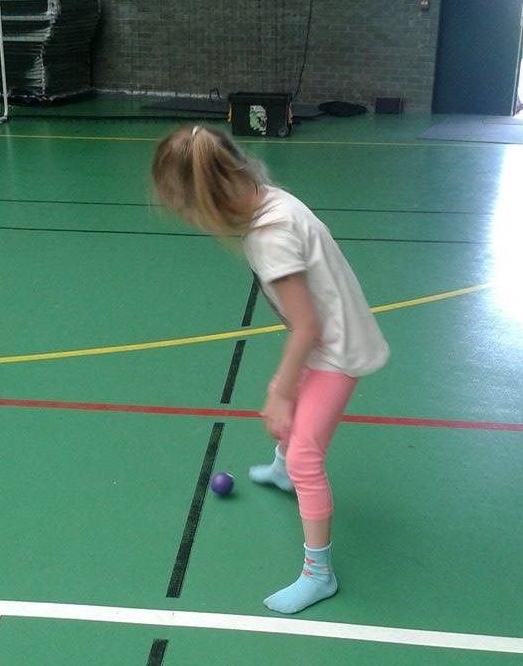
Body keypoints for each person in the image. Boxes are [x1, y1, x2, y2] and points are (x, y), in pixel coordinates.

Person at [151, 125, 389, 613]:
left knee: (306, 454)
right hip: (330, 336)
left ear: (208, 201)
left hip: (337, 350)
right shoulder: (270, 200)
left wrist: (280, 389)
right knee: (294, 401)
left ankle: (318, 574)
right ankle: (282, 472)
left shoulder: (270, 237)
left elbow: (306, 326)